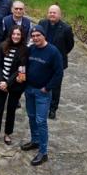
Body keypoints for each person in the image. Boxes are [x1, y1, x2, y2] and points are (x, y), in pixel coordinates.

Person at [22, 25, 64, 166]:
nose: (35, 38)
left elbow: (59, 73)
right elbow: (25, 65)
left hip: (42, 93)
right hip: (29, 89)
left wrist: (47, 88)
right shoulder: (31, 49)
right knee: (31, 116)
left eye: (38, 35)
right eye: (33, 36)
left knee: (41, 121)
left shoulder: (53, 52)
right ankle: (35, 141)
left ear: (44, 35)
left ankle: (43, 152)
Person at [0, 24, 28, 147]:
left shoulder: (25, 49)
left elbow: (20, 68)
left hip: (15, 84)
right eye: (14, 34)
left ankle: (7, 133)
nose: (16, 36)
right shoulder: (2, 45)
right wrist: (1, 81)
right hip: (1, 82)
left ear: (22, 36)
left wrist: (7, 83)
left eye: (18, 34)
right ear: (10, 35)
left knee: (11, 109)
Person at [38, 4, 75, 119]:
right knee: (41, 81)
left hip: (57, 62)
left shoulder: (66, 28)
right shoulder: (42, 23)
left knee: (55, 85)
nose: (52, 14)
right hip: (43, 59)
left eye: (54, 13)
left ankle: (53, 108)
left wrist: (59, 55)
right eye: (50, 12)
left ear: (59, 15)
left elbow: (70, 45)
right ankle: (40, 103)